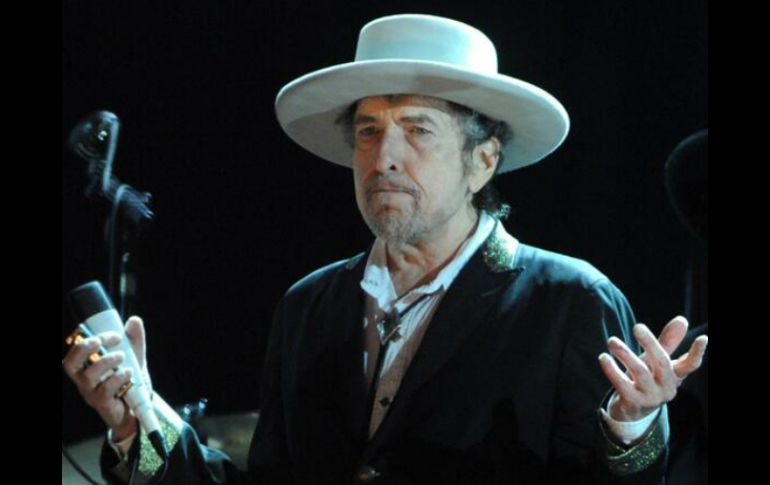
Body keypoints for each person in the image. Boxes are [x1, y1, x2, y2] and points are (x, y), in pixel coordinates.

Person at [62, 14, 708, 484]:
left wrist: (632, 428)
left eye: (417, 130)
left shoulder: (568, 300)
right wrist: (138, 423)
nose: (384, 158)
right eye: (369, 132)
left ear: (483, 160)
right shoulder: (309, 306)